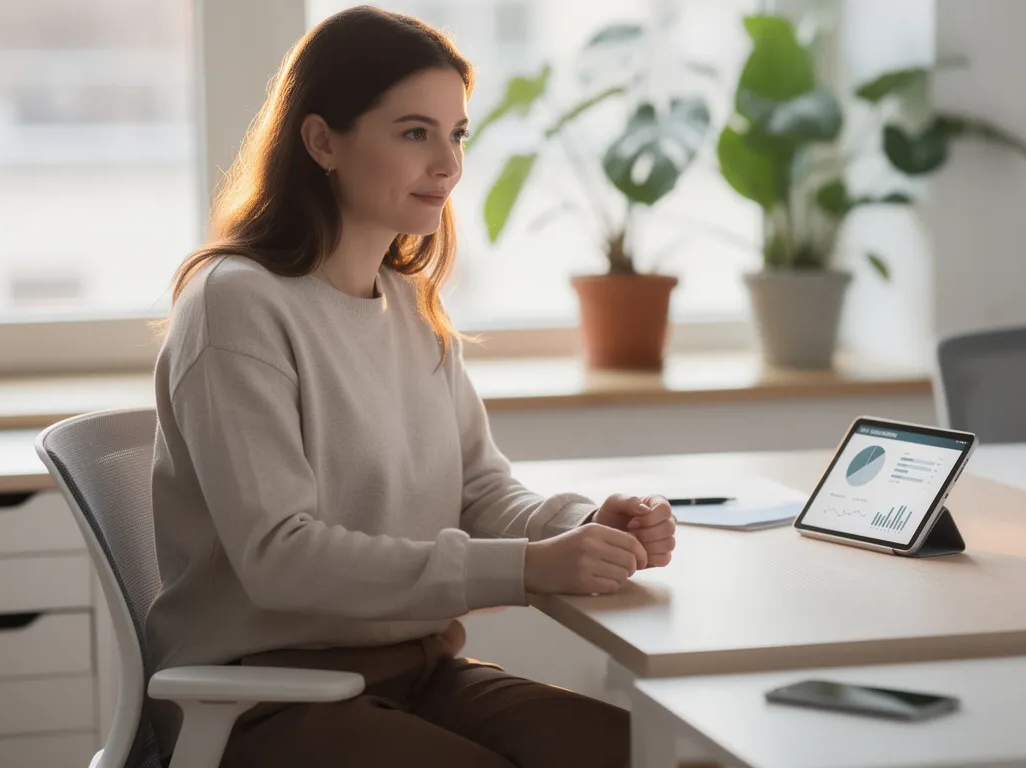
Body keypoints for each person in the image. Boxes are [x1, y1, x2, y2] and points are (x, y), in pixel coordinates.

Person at [145, 6, 676, 768]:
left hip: (417, 670)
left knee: (639, 752)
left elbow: (481, 490)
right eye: (413, 132)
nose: (449, 164)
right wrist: (527, 571)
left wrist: (585, 524)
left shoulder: (409, 305)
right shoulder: (235, 304)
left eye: (456, 134)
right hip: (259, 700)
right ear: (322, 140)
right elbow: (280, 557)